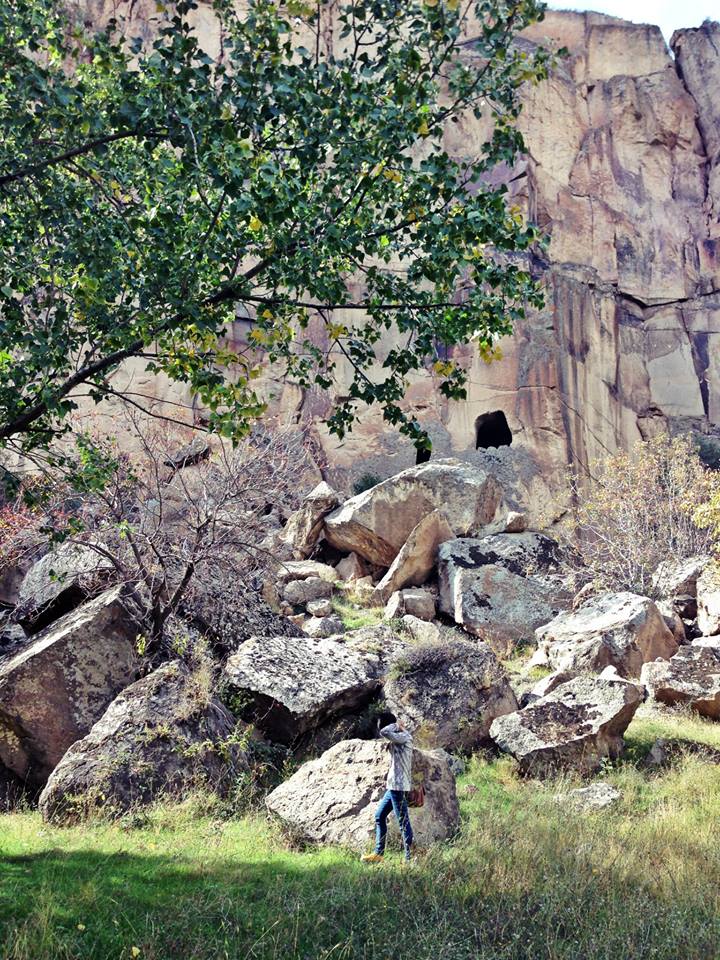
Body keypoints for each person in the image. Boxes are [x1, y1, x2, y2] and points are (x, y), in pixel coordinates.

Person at [361, 713, 414, 863]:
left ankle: (410, 860)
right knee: (379, 816)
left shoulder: (403, 736)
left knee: (403, 822)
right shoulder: (398, 737)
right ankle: (378, 854)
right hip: (393, 786)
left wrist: (397, 724)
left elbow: (384, 732)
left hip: (398, 786)